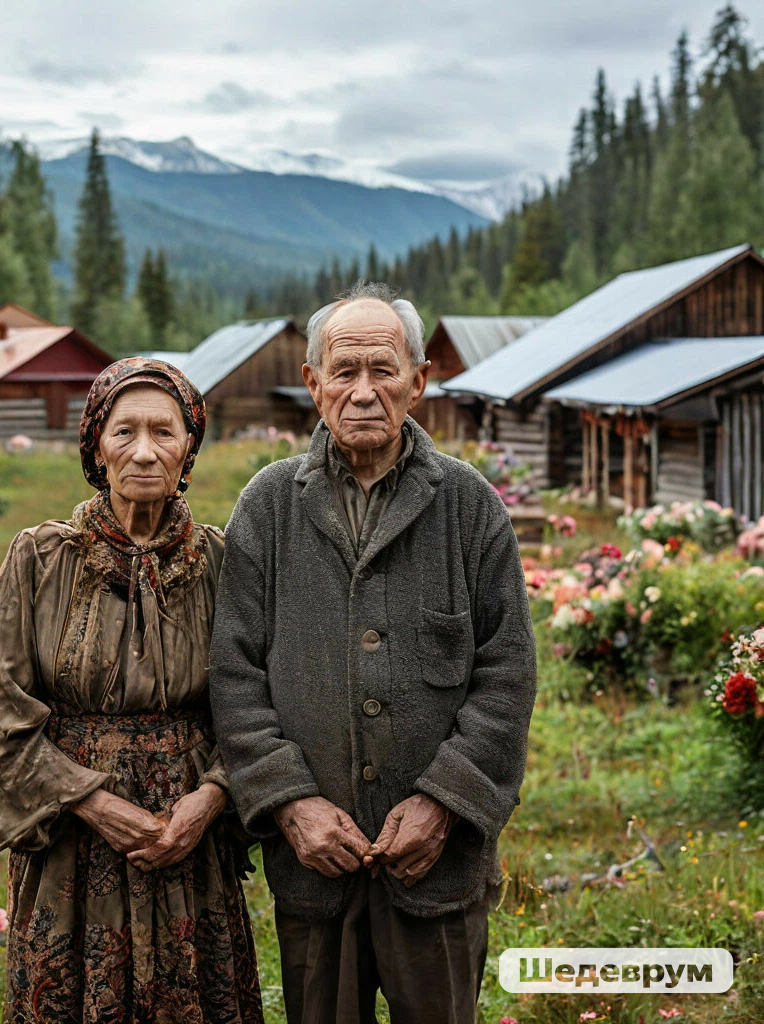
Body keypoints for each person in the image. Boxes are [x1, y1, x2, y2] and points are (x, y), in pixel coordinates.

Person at [209, 282, 538, 1024]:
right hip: (313, 866)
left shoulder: (468, 504)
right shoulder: (268, 506)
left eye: (383, 371)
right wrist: (290, 802)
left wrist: (444, 803)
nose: (363, 392)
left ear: (418, 383)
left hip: (437, 863)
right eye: (345, 371)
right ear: (313, 384)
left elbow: (508, 673)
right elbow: (233, 673)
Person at [0, 358, 264, 1024]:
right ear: (94, 447)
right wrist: (93, 802)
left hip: (191, 842)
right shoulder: (41, 560)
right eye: (123, 431)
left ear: (189, 446)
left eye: (164, 432)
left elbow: (259, 704)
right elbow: (0, 715)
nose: (143, 450)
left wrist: (210, 800)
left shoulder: (224, 563)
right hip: (73, 847)